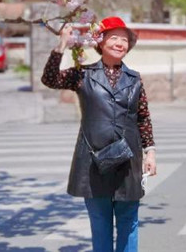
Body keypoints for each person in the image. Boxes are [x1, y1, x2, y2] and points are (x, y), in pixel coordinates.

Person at [42, 17, 156, 252]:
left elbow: (142, 117)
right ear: (101, 42)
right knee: (100, 223)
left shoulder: (134, 79)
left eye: (124, 40)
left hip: (128, 159)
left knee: (129, 221)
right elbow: (50, 79)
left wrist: (150, 152)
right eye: (114, 37)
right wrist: (61, 45)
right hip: (93, 159)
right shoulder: (82, 75)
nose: (119, 43)